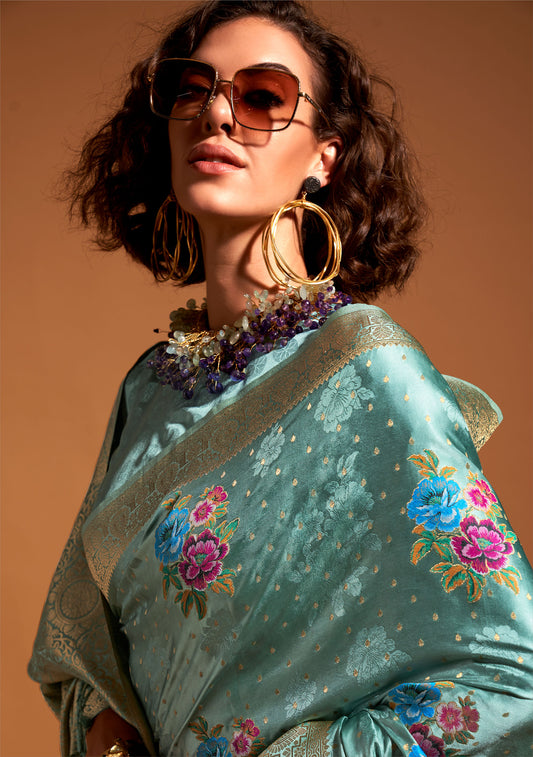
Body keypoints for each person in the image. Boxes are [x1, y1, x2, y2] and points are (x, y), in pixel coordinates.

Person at [29, 1, 533, 756]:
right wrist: (105, 727)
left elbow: (509, 680)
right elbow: (82, 649)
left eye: (263, 96)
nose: (217, 114)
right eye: (192, 90)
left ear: (324, 157)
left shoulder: (364, 365)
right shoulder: (150, 388)